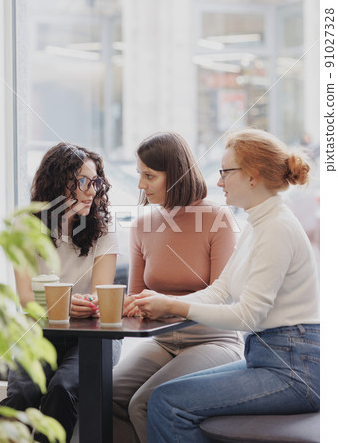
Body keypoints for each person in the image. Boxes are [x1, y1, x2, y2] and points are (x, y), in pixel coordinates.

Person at [132, 128, 320, 442]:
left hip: (293, 369)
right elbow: (220, 291)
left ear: (252, 176)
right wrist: (161, 300)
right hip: (267, 357)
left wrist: (173, 305)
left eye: (225, 172)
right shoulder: (257, 224)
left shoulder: (276, 228)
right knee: (161, 396)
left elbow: (248, 316)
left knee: (166, 402)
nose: (218, 182)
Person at [113, 132, 244, 443]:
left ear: (175, 174)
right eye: (139, 175)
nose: (141, 185)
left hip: (213, 341)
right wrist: (121, 305)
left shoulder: (217, 218)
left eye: (150, 175)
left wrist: (163, 303)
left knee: (143, 403)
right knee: (106, 393)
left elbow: (221, 297)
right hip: (162, 341)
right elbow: (137, 298)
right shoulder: (142, 226)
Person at [0, 142, 121, 443]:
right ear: (58, 183)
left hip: (92, 334)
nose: (92, 191)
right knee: (24, 390)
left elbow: (101, 298)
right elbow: (25, 298)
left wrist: (77, 305)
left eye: (96, 182)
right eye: (84, 182)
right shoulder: (25, 225)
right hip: (39, 329)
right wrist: (60, 305)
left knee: (64, 386)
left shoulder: (103, 228)